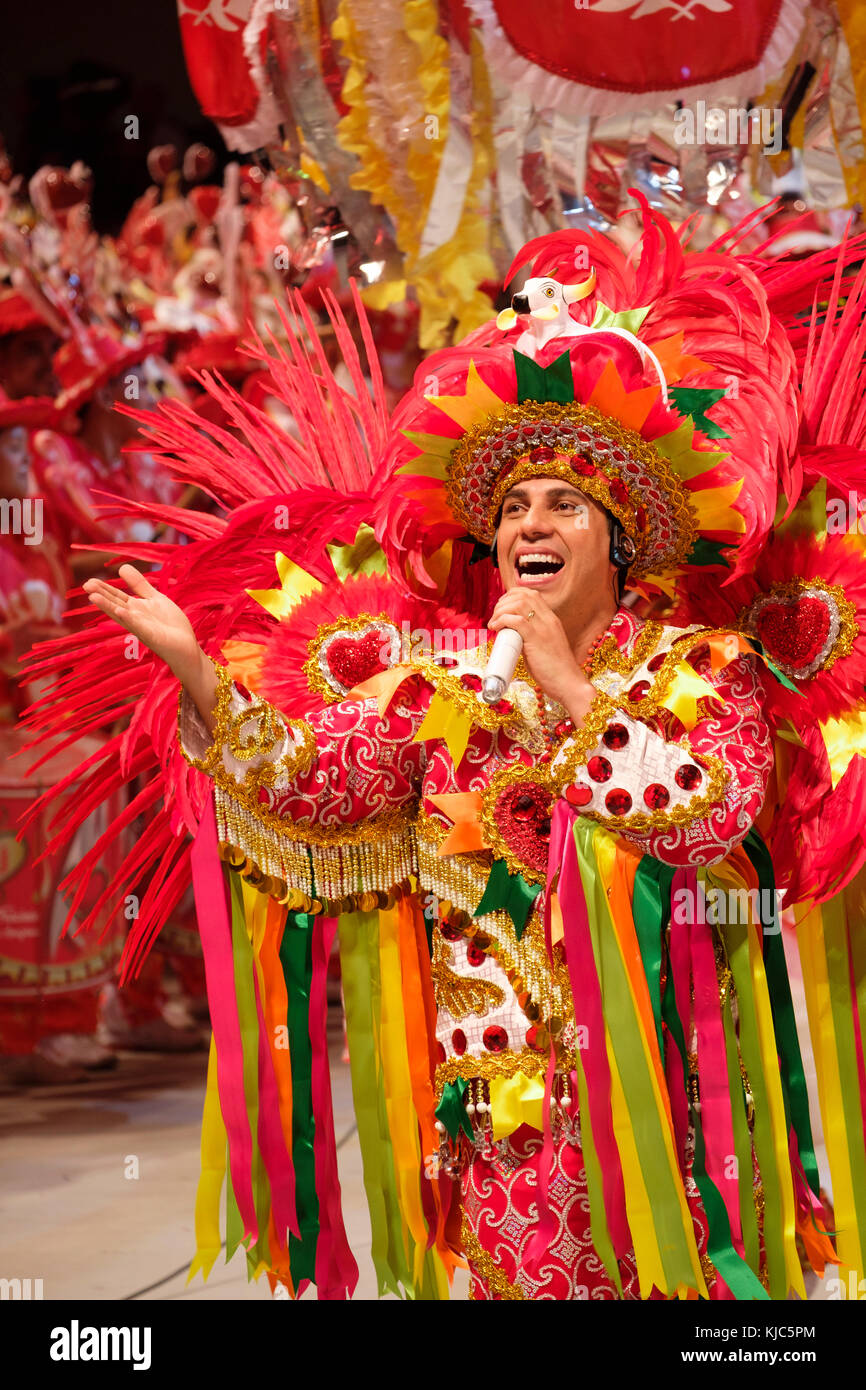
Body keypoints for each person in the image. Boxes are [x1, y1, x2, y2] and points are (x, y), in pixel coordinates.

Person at [27, 199, 866, 1299]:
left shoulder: (693, 668)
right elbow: (310, 781)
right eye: (514, 505)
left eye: (563, 503)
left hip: (675, 1108)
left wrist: (568, 690)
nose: (529, 523)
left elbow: (704, 809)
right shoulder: (448, 689)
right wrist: (195, 675)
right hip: (505, 1121)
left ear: (617, 540)